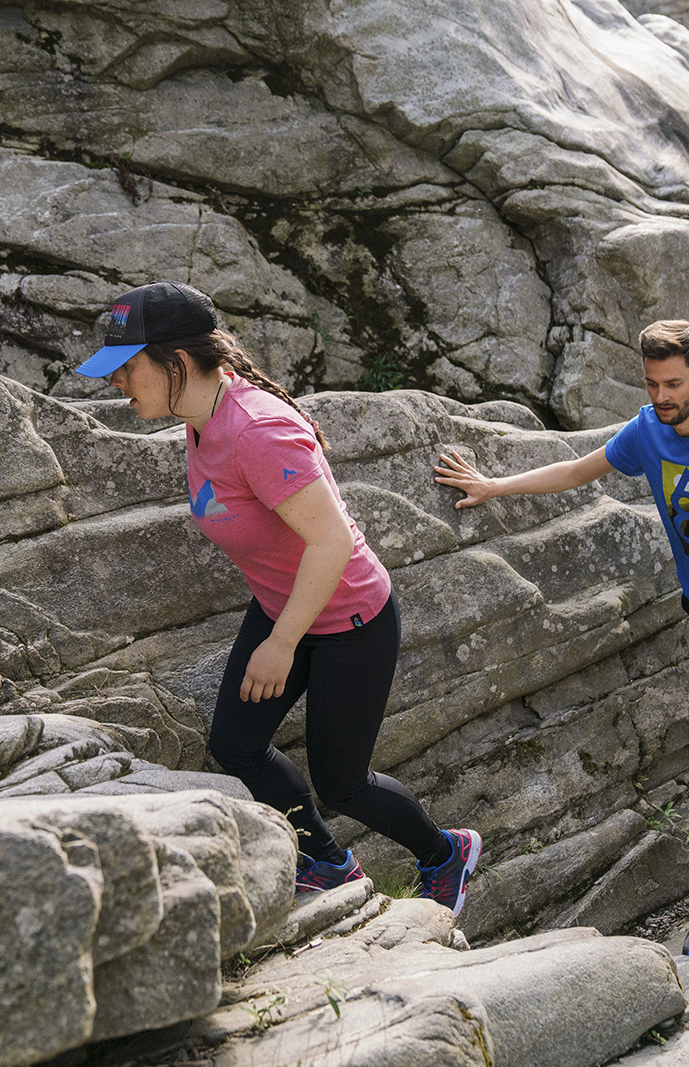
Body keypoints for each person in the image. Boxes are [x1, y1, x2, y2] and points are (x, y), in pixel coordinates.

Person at [433, 320, 689, 955]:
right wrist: (493, 486)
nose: (660, 397)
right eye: (651, 384)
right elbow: (578, 471)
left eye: (673, 384)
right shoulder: (649, 430)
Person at [74, 281, 483, 916]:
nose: (117, 383)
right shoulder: (203, 414)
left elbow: (331, 543)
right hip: (282, 607)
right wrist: (279, 630)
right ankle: (331, 863)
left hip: (348, 620)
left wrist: (283, 644)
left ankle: (444, 855)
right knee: (235, 744)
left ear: (175, 362)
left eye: (127, 367)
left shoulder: (257, 430)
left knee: (343, 783)